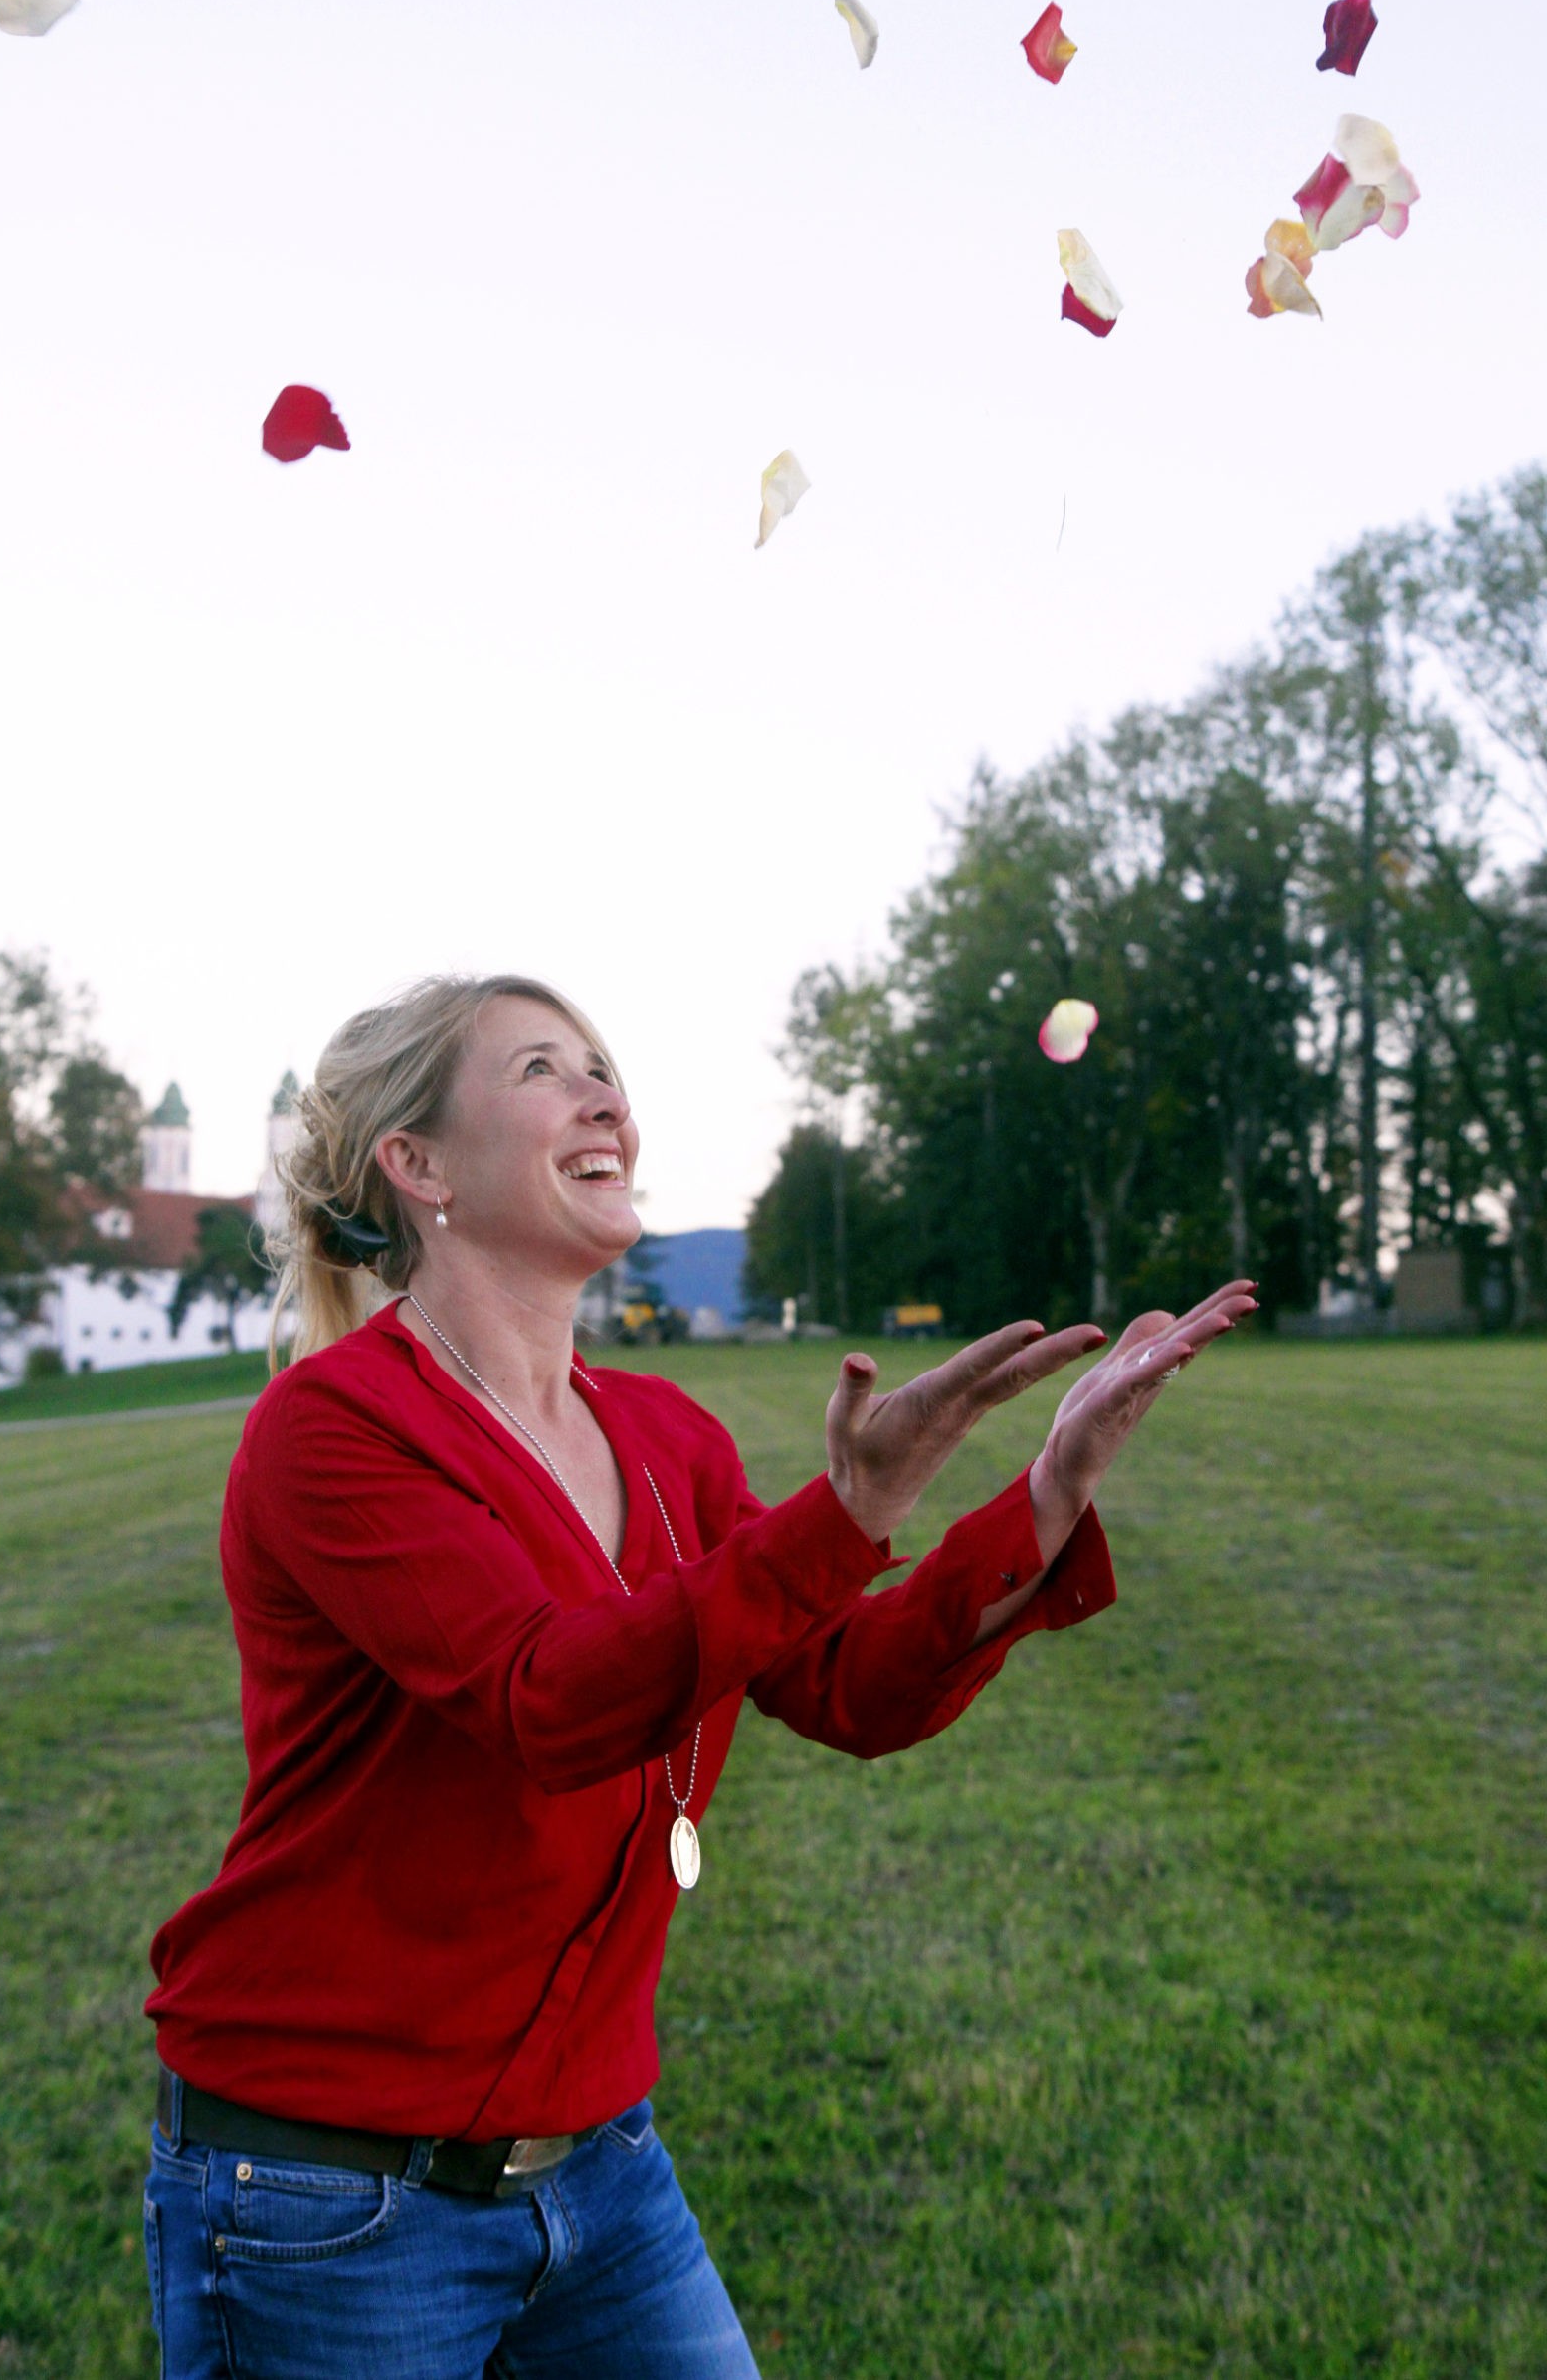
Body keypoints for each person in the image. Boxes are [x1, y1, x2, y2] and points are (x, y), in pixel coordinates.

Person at [142, 973, 1256, 2379]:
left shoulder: (669, 1437)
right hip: (329, 2192)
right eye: (545, 1070)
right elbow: (551, 1699)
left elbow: (849, 1685)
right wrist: (839, 1517)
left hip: (602, 2170)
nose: (606, 1094)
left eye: (604, 1067)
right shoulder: (334, 1431)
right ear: (418, 1167)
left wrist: (1045, 1491)